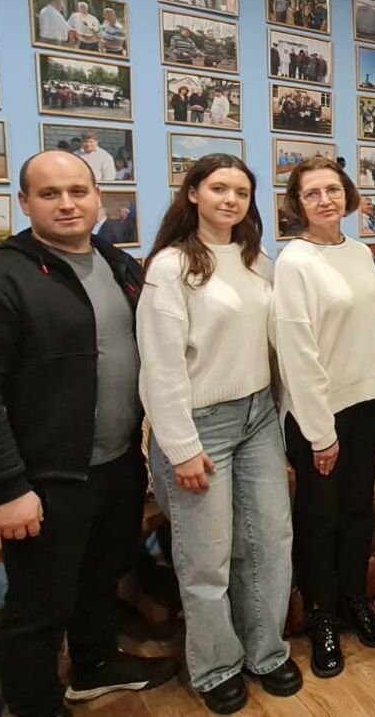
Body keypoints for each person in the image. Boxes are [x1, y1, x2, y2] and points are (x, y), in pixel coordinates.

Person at [0, 151, 178, 716]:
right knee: (39, 609)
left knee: (101, 580)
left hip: (119, 464)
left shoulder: (120, 266)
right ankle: (35, 705)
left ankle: (94, 667)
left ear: (99, 199)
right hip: (45, 480)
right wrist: (6, 489)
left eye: (78, 191)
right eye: (50, 194)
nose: (67, 204)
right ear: (25, 203)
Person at [138, 154, 300, 713]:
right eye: (218, 188)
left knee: (270, 541)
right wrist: (181, 447)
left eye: (241, 192)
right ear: (193, 194)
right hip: (199, 425)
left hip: (258, 417)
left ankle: (266, 652)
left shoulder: (258, 261)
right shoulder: (171, 267)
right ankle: (215, 666)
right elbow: (159, 368)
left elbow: (276, 346)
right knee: (207, 559)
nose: (230, 200)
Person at [272, 156, 375, 679]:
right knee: (319, 519)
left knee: (357, 512)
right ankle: (322, 617)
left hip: (366, 404)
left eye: (333, 189)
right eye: (312, 193)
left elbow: (368, 333)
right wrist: (320, 433)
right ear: (298, 204)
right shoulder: (294, 262)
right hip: (317, 413)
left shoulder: (362, 254)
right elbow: (297, 354)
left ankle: (354, 600)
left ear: (347, 194)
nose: (326, 199)